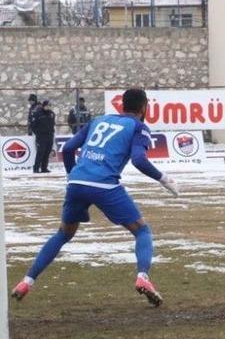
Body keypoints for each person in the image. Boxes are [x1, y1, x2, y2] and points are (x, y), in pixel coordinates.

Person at [10, 89, 180, 306]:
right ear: (144, 107)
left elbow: (69, 148)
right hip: (105, 185)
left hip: (77, 183)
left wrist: (73, 176)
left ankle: (27, 281)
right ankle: (143, 277)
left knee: (63, 234)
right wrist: (165, 179)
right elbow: (139, 160)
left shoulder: (98, 120)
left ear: (122, 105)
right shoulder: (138, 127)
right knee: (142, 230)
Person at [32, 100, 56, 174]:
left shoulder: (52, 114)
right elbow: (33, 125)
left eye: (50, 106)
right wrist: (38, 133)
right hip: (41, 136)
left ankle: (44, 168)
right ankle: (36, 168)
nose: (48, 107)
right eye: (47, 105)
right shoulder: (38, 114)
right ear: (44, 105)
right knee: (40, 152)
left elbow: (53, 124)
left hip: (49, 135)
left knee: (47, 152)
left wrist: (52, 132)